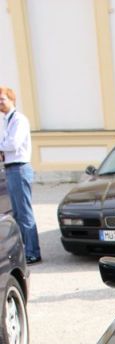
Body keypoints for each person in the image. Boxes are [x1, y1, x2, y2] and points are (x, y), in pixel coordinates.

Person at [0, 86, 41, 264]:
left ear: (12, 100)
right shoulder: (7, 120)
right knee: (16, 213)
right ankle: (25, 249)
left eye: (2, 99)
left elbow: (13, 144)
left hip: (19, 168)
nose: (0, 103)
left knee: (24, 213)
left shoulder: (19, 119)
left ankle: (33, 252)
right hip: (10, 169)